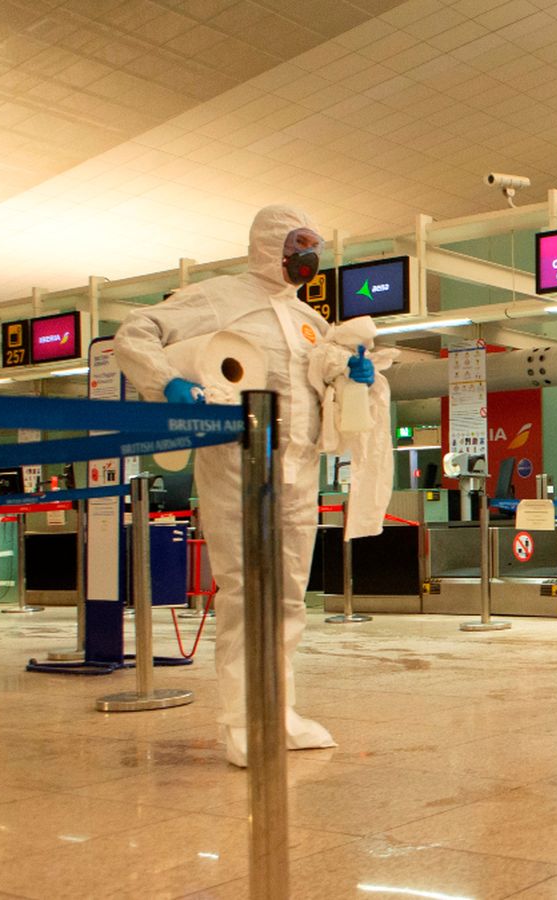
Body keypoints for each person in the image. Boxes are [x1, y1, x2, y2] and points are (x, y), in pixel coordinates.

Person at [115, 205, 375, 768]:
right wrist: (169, 382)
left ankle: (278, 711)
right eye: (298, 244)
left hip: (300, 469)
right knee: (242, 591)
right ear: (268, 244)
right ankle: (240, 721)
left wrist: (353, 376)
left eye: (315, 247)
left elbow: (323, 378)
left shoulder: (309, 318)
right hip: (235, 462)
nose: (308, 257)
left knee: (286, 596)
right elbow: (136, 332)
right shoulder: (218, 297)